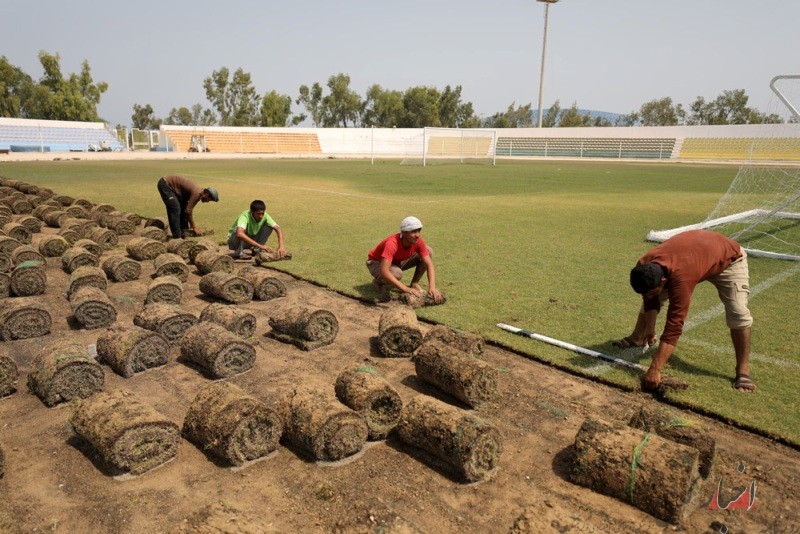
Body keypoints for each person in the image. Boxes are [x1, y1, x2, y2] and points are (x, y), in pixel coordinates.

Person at [614, 229, 755, 392]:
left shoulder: (681, 279)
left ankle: (743, 370)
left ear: (664, 280)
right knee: (652, 295)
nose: (648, 295)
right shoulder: (644, 266)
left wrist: (655, 368)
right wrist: (650, 330)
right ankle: (638, 337)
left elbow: (675, 324)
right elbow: (650, 298)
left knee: (738, 313)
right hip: (697, 257)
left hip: (729, 260)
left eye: (652, 291)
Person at [366, 216, 444, 304]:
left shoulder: (418, 241)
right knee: (396, 273)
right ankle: (378, 282)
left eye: (419, 231)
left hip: (395, 262)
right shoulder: (392, 243)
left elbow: (429, 264)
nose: (417, 235)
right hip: (376, 262)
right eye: (413, 231)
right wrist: (405, 289)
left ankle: (414, 283)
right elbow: (385, 271)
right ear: (404, 232)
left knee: (428, 252)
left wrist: (432, 287)